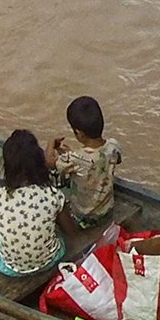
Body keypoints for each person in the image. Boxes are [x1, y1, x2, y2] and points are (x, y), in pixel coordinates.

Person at [0, 129, 68, 299]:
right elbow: (70, 231)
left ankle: (1, 248)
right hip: (50, 260)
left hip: (9, 267)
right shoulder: (53, 194)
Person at [51, 95, 125, 235]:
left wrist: (51, 144)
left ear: (79, 133)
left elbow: (49, 162)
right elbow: (111, 159)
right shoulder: (113, 146)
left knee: (54, 182)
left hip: (82, 217)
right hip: (106, 210)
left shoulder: (74, 158)